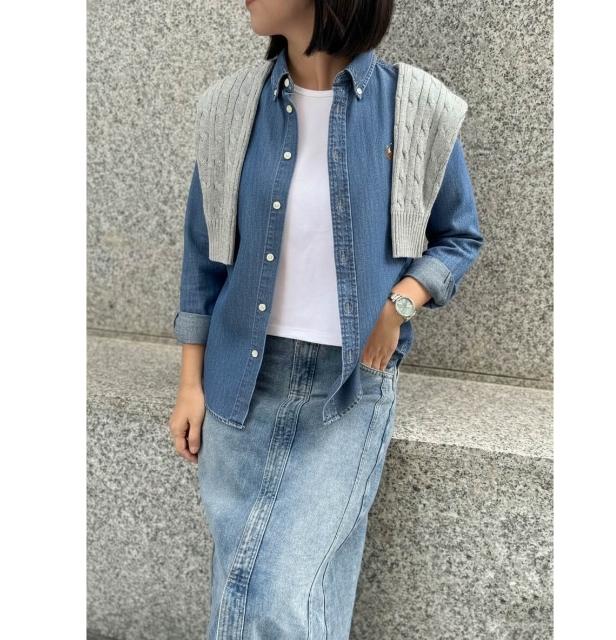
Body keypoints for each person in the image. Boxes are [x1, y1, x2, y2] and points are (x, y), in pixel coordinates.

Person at [169, 1, 484, 638]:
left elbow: (458, 236)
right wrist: (190, 383)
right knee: (245, 587)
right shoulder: (231, 108)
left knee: (281, 593)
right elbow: (203, 255)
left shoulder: (414, 106)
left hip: (348, 386)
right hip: (240, 383)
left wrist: (401, 304)